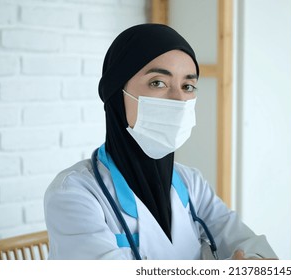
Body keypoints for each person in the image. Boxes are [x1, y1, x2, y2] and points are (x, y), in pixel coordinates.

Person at [44, 23, 277, 260]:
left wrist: (254, 262)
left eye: (188, 86)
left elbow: (249, 243)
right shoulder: (74, 193)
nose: (178, 99)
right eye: (158, 83)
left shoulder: (190, 183)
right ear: (116, 93)